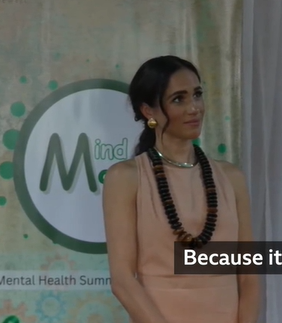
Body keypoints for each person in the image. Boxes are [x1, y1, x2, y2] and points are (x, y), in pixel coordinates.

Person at [102, 55, 259, 323]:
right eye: (179, 99)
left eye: (197, 95)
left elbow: (249, 275)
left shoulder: (231, 177)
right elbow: (123, 281)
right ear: (148, 111)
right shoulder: (125, 178)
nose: (194, 108)